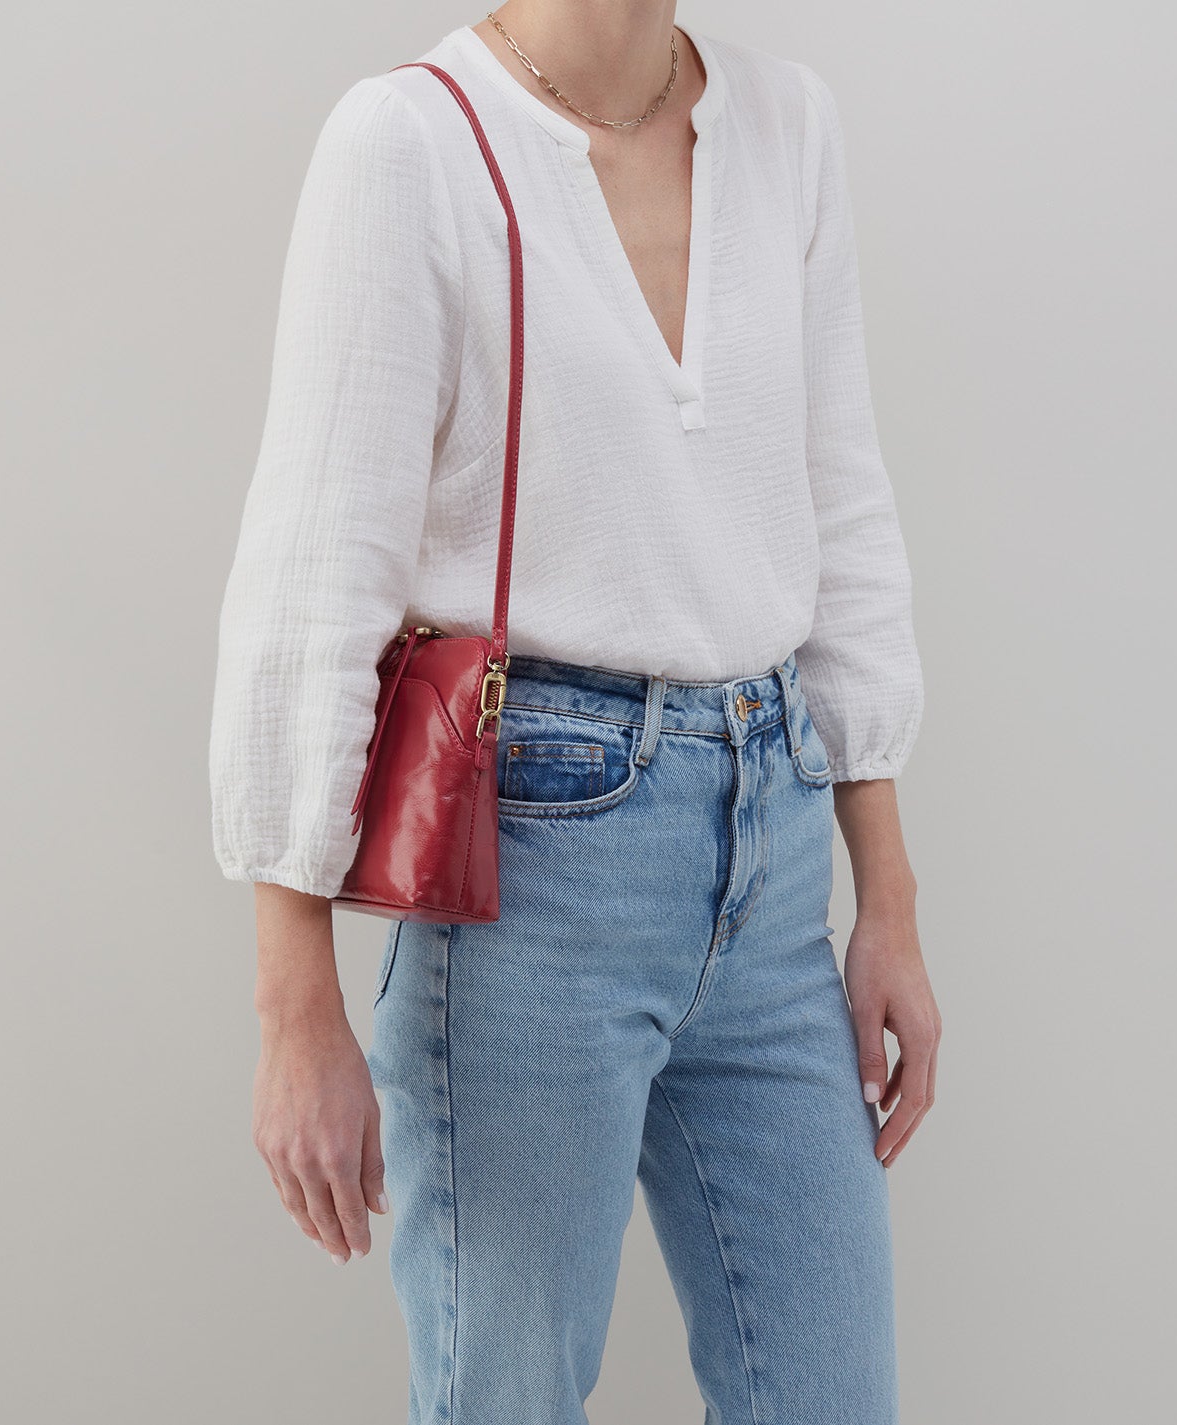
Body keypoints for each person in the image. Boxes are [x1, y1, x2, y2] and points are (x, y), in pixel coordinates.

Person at [209, 3, 941, 1420]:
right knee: (507, 1399)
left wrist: (889, 899)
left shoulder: (785, 123)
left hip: (776, 853)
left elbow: (841, 508)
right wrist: (294, 1006)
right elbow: (315, 574)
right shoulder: (410, 142)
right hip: (533, 865)